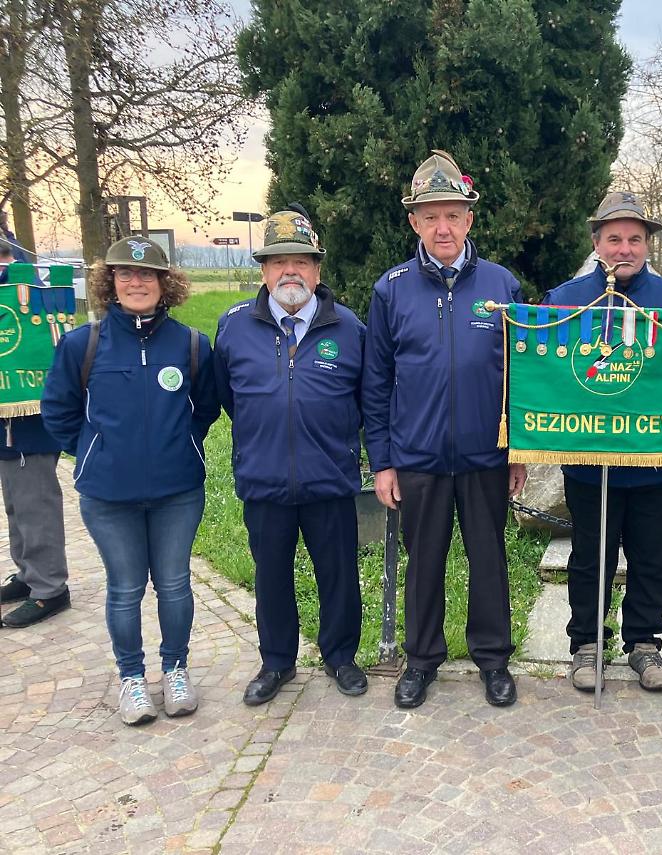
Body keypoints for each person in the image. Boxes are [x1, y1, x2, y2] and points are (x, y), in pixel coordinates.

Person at [363, 150, 526, 709]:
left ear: (469, 219)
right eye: (430, 215)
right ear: (414, 222)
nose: (442, 227)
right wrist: (383, 461)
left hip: (486, 454)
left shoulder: (502, 285)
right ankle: (421, 660)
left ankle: (493, 659)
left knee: (489, 560)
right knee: (424, 561)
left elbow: (521, 376)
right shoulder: (392, 290)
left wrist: (519, 451)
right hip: (419, 456)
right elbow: (377, 381)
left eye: (452, 214)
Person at [40, 236, 219, 725]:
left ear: (165, 284)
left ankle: (176, 671)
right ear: (110, 283)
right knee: (124, 588)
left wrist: (180, 443)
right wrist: (96, 451)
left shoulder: (190, 344)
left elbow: (206, 408)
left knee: (176, 585)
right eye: (125, 275)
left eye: (147, 275)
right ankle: (133, 679)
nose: (136, 282)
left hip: (177, 493)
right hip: (108, 496)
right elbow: (58, 411)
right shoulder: (83, 344)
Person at [541, 191, 662, 693]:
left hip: (653, 457)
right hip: (589, 460)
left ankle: (644, 644)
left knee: (653, 555)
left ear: (647, 244)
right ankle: (586, 643)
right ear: (597, 242)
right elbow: (546, 371)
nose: (624, 249)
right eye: (614, 239)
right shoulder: (565, 300)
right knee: (591, 556)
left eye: (634, 239)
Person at [214, 205, 369, 706]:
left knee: (339, 574)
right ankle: (277, 661)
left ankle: (341, 656)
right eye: (278, 261)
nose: (290, 272)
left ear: (318, 269)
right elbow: (228, 396)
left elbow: (367, 403)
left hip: (329, 479)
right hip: (265, 480)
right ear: (263, 269)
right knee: (271, 577)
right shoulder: (234, 327)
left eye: (301, 261)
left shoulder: (349, 329)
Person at [1, 242, 71, 628]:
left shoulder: (24, 286)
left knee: (35, 504)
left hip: (30, 423)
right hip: (5, 421)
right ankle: (28, 574)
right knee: (15, 502)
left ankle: (49, 587)